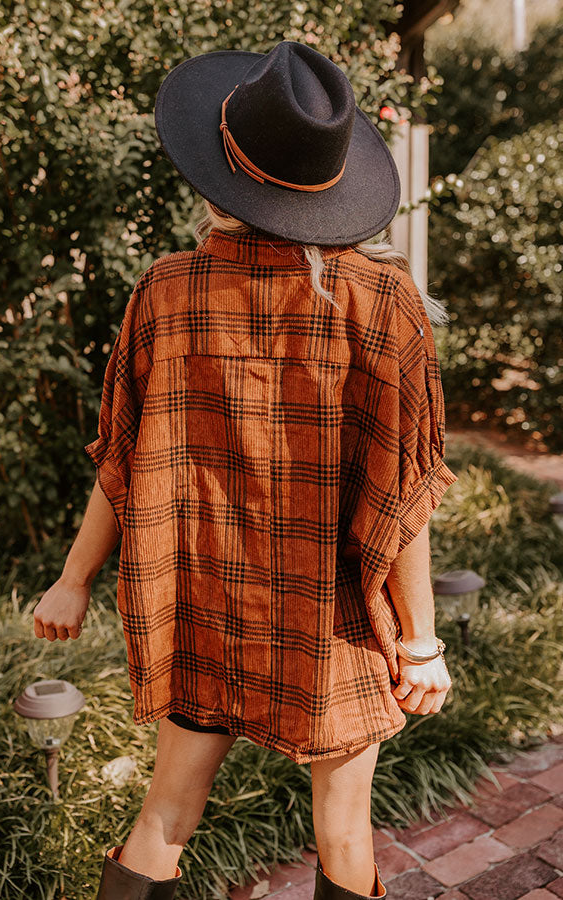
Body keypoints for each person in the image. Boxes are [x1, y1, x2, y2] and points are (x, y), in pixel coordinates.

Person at [32, 39, 458, 900]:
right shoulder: (383, 304)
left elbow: (124, 460)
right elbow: (401, 496)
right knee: (342, 832)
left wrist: (72, 579)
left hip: (204, 606)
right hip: (331, 621)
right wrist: (418, 645)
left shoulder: (166, 290)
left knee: (164, 815)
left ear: (221, 176)